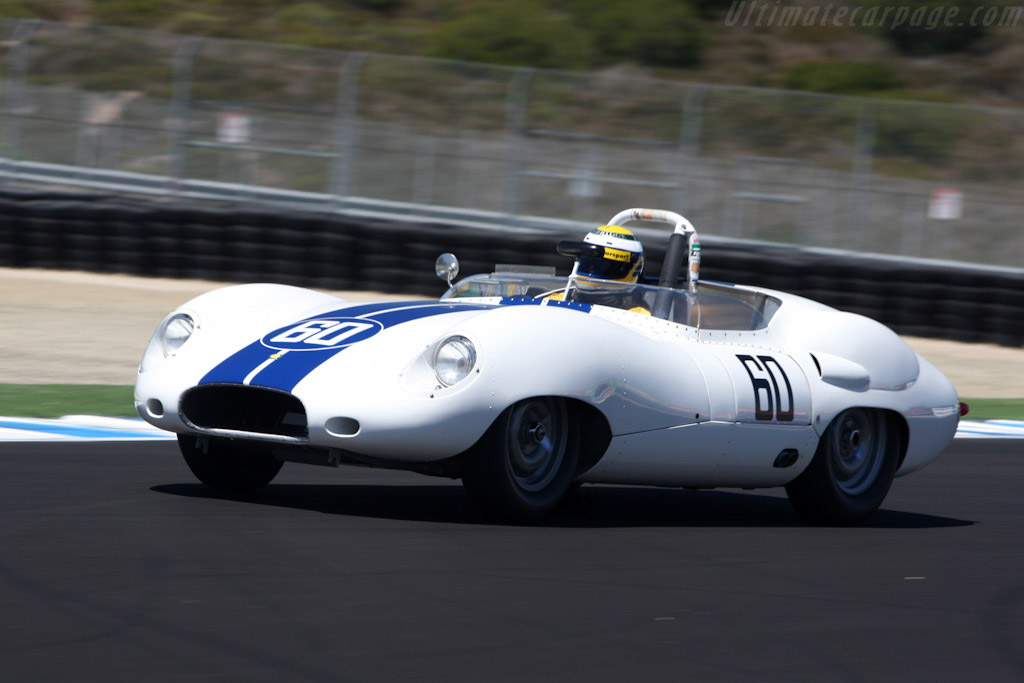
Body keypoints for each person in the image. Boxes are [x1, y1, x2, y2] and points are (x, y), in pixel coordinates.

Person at [550, 225, 650, 314]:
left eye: (603, 265)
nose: (592, 269)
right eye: (587, 263)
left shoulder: (637, 315)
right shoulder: (556, 300)